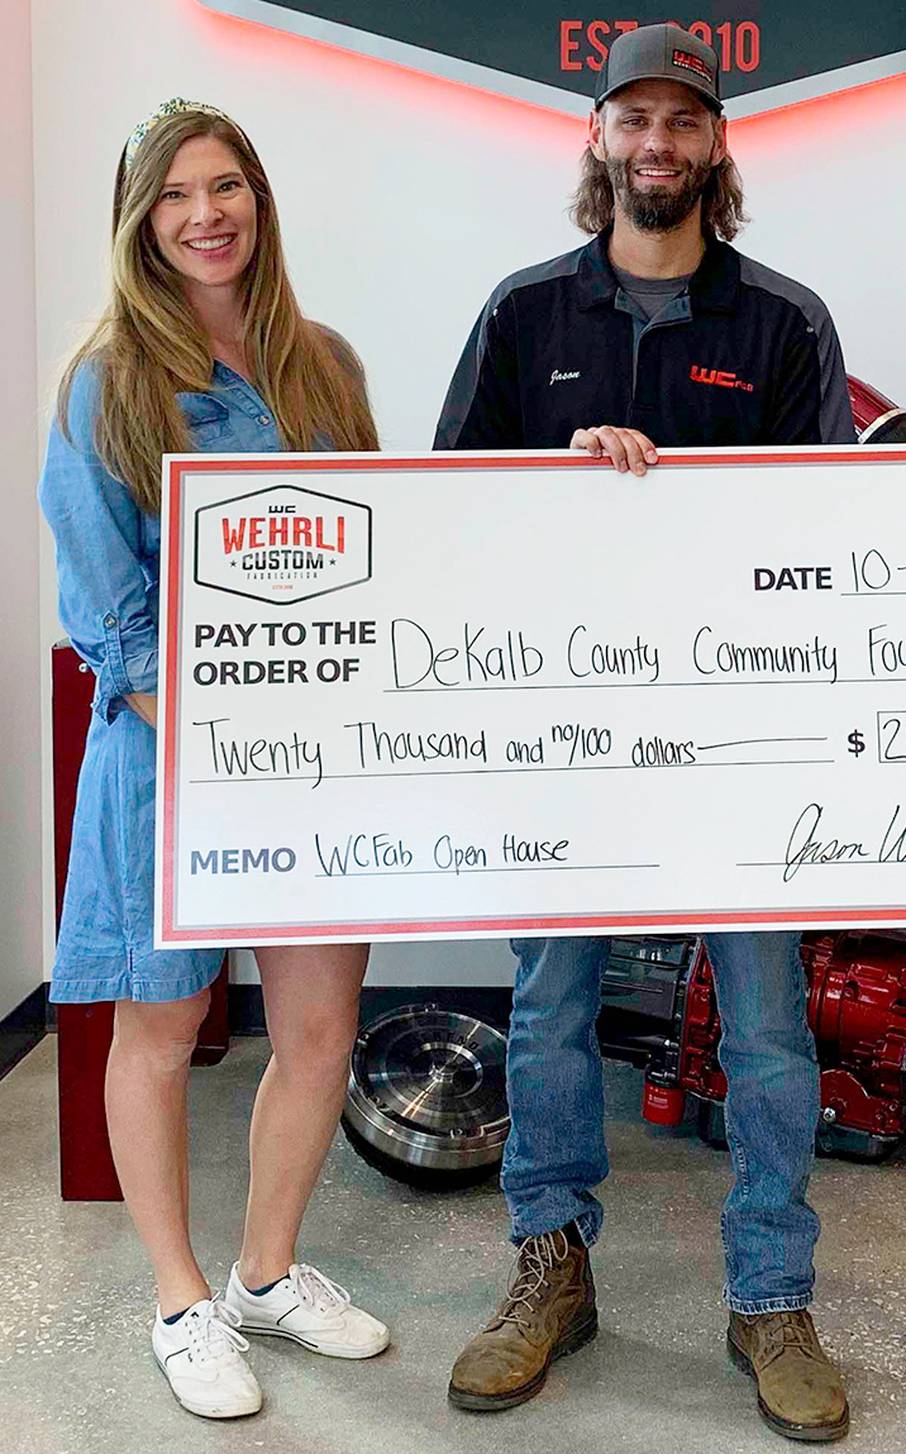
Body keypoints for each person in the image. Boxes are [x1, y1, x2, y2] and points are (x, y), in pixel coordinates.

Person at [434, 25, 852, 1443]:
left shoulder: (785, 322)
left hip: (740, 753)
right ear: (599, 140)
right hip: (566, 744)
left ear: (718, 144)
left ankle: (770, 1296)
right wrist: (563, 486)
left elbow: (827, 540)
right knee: (549, 1008)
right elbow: (453, 520)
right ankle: (550, 1267)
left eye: (686, 120)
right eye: (636, 120)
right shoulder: (523, 316)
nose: (659, 144)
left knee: (769, 1025)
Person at [39, 99, 389, 1420]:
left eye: (226, 184)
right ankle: (183, 1300)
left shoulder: (323, 368)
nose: (206, 213)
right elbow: (110, 612)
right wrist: (219, 737)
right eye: (177, 192)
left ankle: (264, 1273)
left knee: (316, 1028)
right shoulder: (109, 380)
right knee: (163, 1024)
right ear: (141, 220)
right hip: (163, 764)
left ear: (258, 200)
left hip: (314, 771)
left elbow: (378, 554)